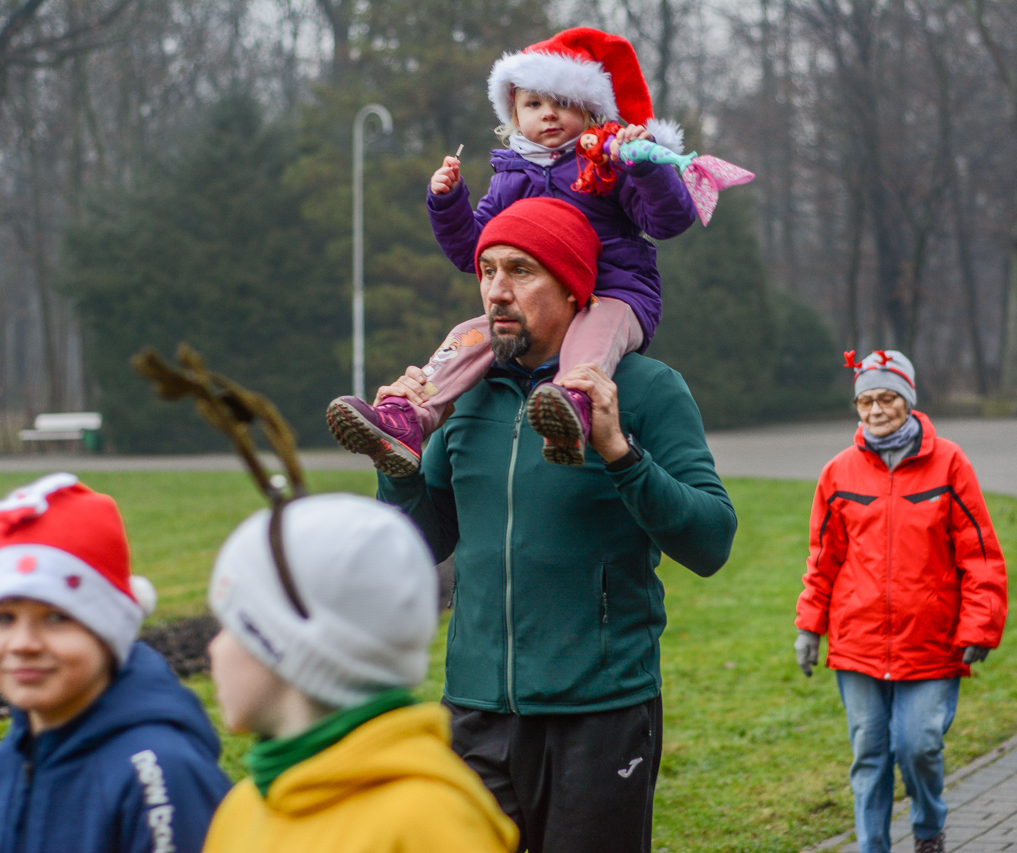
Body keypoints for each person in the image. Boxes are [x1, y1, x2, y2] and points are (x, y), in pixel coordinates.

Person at [375, 197, 737, 853]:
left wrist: (620, 454)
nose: (496, 290)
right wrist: (394, 466)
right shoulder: (462, 393)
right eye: (486, 270)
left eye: (520, 270)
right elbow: (422, 541)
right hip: (476, 711)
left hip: (599, 714)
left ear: (573, 287)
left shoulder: (648, 389)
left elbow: (712, 539)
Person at [328, 27, 697, 473]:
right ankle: (408, 418)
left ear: (590, 110)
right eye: (534, 104)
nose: (549, 115)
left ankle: (571, 409)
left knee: (596, 329)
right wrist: (447, 203)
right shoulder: (510, 177)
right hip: (533, 306)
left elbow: (668, 221)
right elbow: (472, 252)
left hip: (614, 292)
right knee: (470, 336)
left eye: (563, 102)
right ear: (514, 114)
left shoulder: (610, 165)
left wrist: (645, 168)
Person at [201, 492, 519, 853]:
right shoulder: (244, 807)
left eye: (231, 627)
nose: (214, 648)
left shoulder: (429, 822)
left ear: (287, 646)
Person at [794, 351, 1007, 853]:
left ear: (908, 400)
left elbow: (980, 555)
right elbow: (821, 559)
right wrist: (809, 627)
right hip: (859, 643)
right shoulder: (838, 472)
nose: (875, 409)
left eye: (886, 397)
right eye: (865, 400)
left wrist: (980, 627)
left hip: (930, 642)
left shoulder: (950, 463)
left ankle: (929, 825)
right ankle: (872, 846)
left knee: (918, 747)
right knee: (869, 754)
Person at [0, 473, 230, 853]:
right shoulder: (8, 764)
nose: (23, 644)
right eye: (2, 618)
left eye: (57, 618)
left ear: (109, 631)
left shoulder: (159, 774)